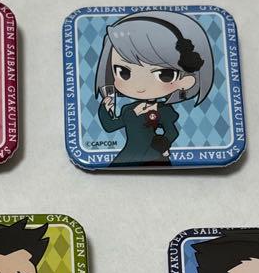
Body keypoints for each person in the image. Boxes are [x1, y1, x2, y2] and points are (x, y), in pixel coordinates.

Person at [92, 11, 214, 166]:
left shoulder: (164, 111)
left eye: (164, 75)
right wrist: (104, 108)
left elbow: (172, 132)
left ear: (186, 81)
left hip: (153, 156)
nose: (140, 86)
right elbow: (111, 126)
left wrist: (162, 144)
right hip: (129, 154)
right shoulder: (128, 110)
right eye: (123, 72)